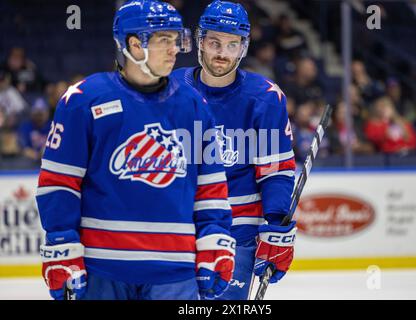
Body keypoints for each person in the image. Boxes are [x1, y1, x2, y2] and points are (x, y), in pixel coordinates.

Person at [36, 0, 235, 300]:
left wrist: (214, 242)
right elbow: (60, 182)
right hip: (103, 267)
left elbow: (211, 188)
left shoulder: (193, 105)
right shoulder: (83, 100)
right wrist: (62, 244)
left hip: (175, 270)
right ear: (135, 44)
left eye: (176, 39)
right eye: (164, 40)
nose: (175, 49)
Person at [172, 0, 297, 300]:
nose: (222, 53)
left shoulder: (264, 98)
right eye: (215, 42)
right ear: (200, 42)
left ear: (243, 47)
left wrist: (276, 223)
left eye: (232, 44)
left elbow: (275, 172)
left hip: (238, 229)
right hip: (177, 226)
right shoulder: (171, 88)